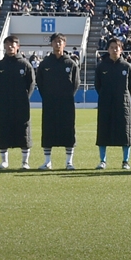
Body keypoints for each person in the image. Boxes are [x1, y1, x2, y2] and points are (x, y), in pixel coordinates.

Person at [36, 33, 80, 170]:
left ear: (64, 44)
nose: (58, 44)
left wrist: (66, 96)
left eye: (60, 41)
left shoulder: (70, 63)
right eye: (55, 41)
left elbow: (76, 83)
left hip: (66, 104)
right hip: (49, 103)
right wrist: (48, 97)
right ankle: (47, 161)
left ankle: (69, 162)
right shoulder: (45, 64)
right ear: (51, 44)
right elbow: (40, 82)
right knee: (48, 130)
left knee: (68, 131)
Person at [0, 36, 35, 170]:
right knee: (4, 130)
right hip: (4, 104)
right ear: (4, 46)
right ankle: (4, 161)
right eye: (8, 44)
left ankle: (25, 162)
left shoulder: (25, 64)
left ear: (18, 47)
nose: (10, 47)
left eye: (13, 44)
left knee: (23, 131)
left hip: (21, 104)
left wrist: (23, 97)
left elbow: (31, 83)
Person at [95, 38, 131, 169]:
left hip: (122, 104)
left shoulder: (127, 67)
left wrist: (123, 98)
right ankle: (102, 161)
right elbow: (98, 86)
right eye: (112, 47)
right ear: (108, 49)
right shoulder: (101, 67)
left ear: (121, 49)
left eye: (117, 47)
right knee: (103, 131)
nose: (115, 50)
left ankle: (125, 161)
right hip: (105, 103)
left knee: (125, 132)